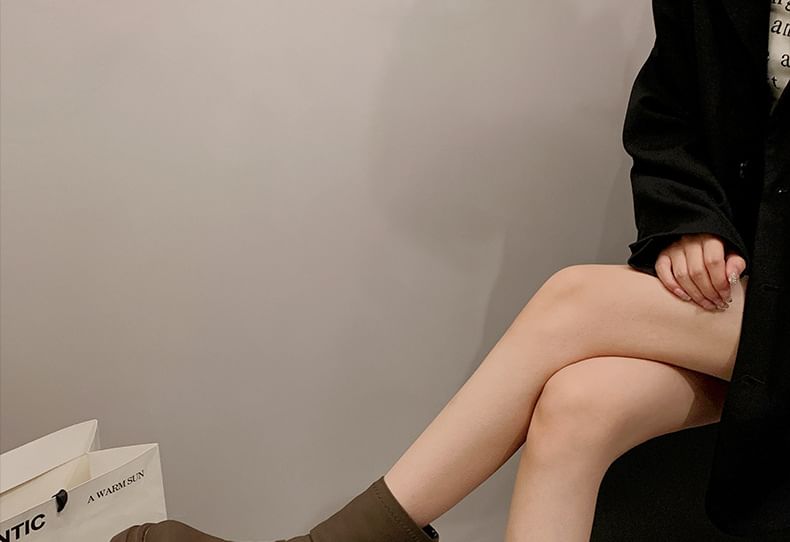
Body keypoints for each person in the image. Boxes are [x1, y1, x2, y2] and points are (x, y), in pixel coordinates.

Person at [111, 1, 790, 541]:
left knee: (572, 300)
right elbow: (670, 108)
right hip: (749, 299)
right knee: (576, 405)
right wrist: (691, 221)